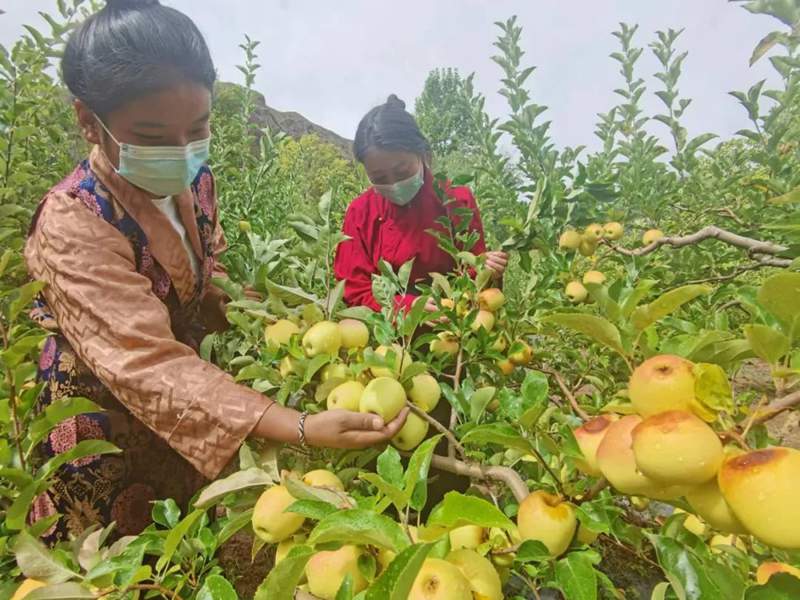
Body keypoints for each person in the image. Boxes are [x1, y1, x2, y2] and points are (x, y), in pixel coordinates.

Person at [24, 0, 407, 542]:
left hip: (190, 402)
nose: (182, 153)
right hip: (104, 418)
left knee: (183, 539)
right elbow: (143, 360)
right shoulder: (73, 221)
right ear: (89, 120)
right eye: (153, 136)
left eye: (197, 129)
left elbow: (209, 275)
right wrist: (296, 426)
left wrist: (268, 319)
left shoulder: (196, 183)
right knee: (110, 556)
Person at [334, 95, 508, 312]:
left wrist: (487, 269)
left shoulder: (455, 200)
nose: (393, 184)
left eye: (401, 171)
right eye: (379, 178)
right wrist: (406, 307)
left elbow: (473, 281)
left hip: (451, 325)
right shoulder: (360, 213)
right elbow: (354, 289)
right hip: (385, 330)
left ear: (423, 154)